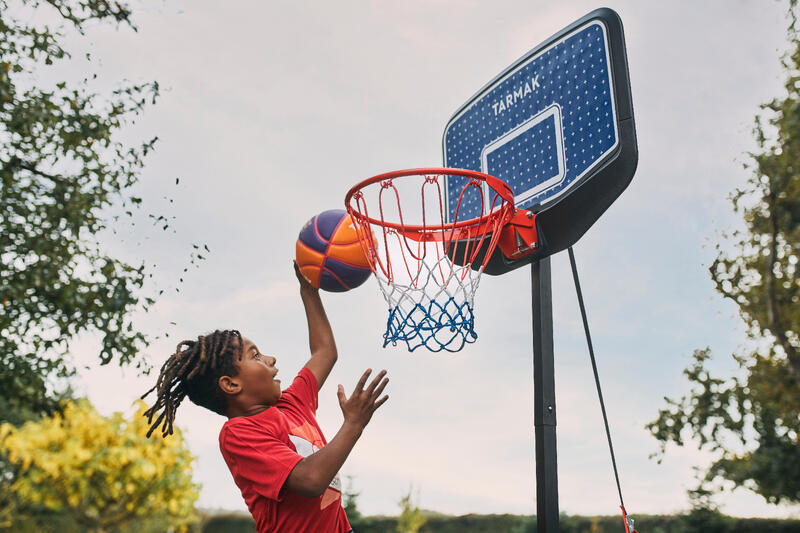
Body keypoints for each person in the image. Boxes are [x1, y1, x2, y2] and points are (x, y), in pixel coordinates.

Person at [141, 264, 389, 533]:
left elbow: (325, 352)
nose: (271, 359)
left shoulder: (292, 404)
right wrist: (353, 424)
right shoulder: (238, 434)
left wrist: (309, 291)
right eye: (255, 355)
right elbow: (310, 480)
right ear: (231, 384)